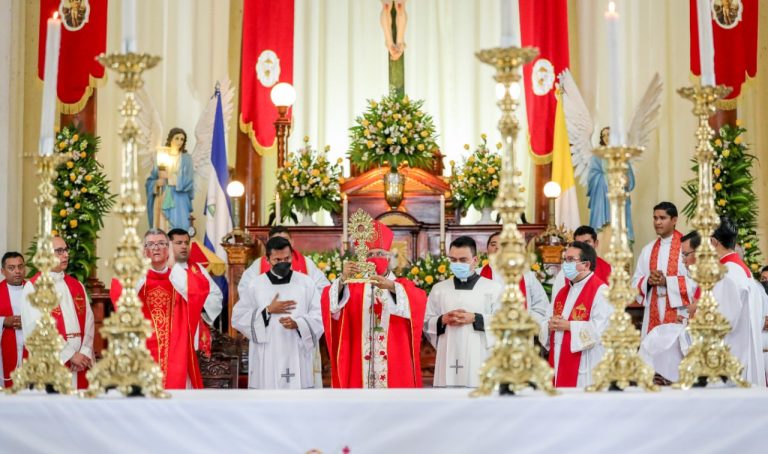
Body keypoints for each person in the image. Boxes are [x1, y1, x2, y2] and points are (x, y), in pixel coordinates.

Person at [320, 220, 426, 388]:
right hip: (359, 362)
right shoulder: (352, 287)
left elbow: (419, 301)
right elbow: (331, 306)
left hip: (394, 362)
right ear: (362, 258)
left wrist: (392, 287)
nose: (376, 258)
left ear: (390, 256)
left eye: (381, 253)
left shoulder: (400, 285)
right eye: (370, 255)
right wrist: (342, 280)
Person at [639, 231, 744, 383]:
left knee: (656, 339)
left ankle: (662, 379)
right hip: (701, 333)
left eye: (686, 255)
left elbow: (722, 314)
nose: (683, 261)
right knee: (656, 338)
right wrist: (689, 316)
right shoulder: (648, 250)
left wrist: (694, 311)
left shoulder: (722, 273)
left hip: (719, 345)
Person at [110, 229, 207, 389]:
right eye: (150, 244)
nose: (156, 248)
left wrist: (174, 266)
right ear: (143, 249)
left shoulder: (180, 276)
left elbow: (198, 291)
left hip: (177, 353)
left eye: (161, 243)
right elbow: (120, 298)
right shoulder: (132, 278)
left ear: (169, 248)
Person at [232, 237, 323, 389]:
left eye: (287, 258)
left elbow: (319, 315)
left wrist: (299, 324)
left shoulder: (306, 283)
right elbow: (238, 317)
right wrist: (267, 311)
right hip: (268, 351)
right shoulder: (256, 285)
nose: (283, 263)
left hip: (297, 350)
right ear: (267, 259)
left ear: (292, 256)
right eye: (277, 259)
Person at [425, 236, 503, 387]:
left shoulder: (493, 288)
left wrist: (476, 318)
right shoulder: (439, 289)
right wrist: (442, 320)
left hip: (479, 356)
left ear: (475, 260)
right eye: (453, 260)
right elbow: (426, 322)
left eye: (463, 260)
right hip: (447, 353)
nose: (457, 264)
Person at [21, 237, 94, 389]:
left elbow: (89, 321)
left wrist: (84, 352)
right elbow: (37, 328)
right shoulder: (33, 287)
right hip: (53, 362)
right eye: (59, 251)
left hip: (80, 362)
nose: (66, 255)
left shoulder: (77, 285)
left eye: (66, 250)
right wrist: (70, 356)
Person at [539, 242, 612, 388]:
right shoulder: (562, 292)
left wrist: (569, 326)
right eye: (565, 259)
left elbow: (601, 331)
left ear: (586, 265)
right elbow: (546, 320)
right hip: (559, 362)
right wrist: (549, 325)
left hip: (585, 365)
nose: (566, 264)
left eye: (571, 260)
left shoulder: (601, 291)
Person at [712, 217, 767, 386]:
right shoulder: (744, 271)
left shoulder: (726, 274)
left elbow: (722, 322)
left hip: (732, 358)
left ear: (713, 242)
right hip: (744, 353)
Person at [631, 202, 693, 338]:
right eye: (655, 218)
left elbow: (696, 283)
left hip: (679, 311)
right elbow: (635, 282)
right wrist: (648, 281)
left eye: (662, 218)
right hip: (653, 310)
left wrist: (667, 282)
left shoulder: (687, 248)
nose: (657, 222)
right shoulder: (648, 249)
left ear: (674, 220)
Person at [167, 228, 223, 358]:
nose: (184, 246)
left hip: (195, 328)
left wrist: (199, 304)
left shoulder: (198, 269)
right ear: (168, 245)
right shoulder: (161, 269)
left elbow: (216, 296)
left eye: (186, 243)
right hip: (169, 329)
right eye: (179, 242)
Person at [478, 232, 546, 329]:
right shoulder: (477, 275)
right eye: (493, 244)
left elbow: (541, 305)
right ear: (487, 249)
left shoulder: (526, 275)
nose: (497, 248)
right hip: (486, 332)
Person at [239, 226, 330, 296]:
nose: (281, 244)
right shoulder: (258, 265)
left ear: (292, 242)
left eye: (285, 240)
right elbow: (245, 290)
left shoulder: (306, 263)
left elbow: (323, 288)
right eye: (276, 240)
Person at [145, 128, 195, 231]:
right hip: (163, 196)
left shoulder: (186, 159)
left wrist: (171, 178)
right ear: (170, 139)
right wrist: (156, 183)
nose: (179, 142)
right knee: (163, 226)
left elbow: (189, 181)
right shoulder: (161, 156)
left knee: (179, 228)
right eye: (177, 138)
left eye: (182, 139)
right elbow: (151, 180)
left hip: (180, 199)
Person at [551, 225, 612, 300]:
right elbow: (556, 301)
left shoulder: (609, 270)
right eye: (579, 244)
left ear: (596, 243)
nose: (583, 247)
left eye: (587, 242)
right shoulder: (566, 272)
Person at [1, 252, 26, 387]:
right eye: (11, 268)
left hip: (30, 352)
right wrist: (4, 321)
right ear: (2, 271)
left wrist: (28, 322)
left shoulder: (34, 291)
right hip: (5, 353)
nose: (17, 271)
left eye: (20, 266)